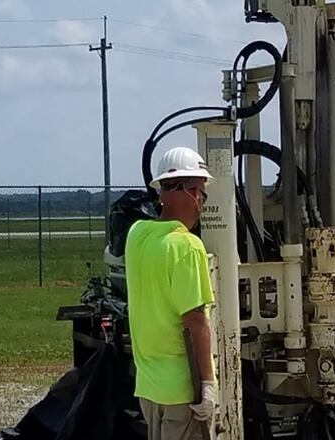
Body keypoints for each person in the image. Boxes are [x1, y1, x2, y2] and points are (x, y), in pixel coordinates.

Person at [126, 146, 216, 440]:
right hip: (182, 389)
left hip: (149, 387)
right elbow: (196, 320)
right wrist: (207, 385)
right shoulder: (187, 246)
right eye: (200, 191)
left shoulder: (136, 235)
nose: (201, 201)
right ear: (184, 191)